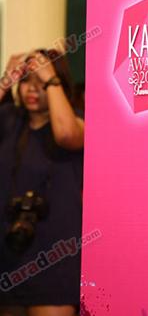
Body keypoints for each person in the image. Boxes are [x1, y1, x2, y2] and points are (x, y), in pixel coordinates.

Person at [0, 49, 84, 316]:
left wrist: (51, 79)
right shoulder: (9, 119)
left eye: (41, 81)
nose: (32, 88)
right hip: (11, 250)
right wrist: (5, 82)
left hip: (54, 255)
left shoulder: (76, 121)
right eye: (26, 80)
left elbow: (67, 135)